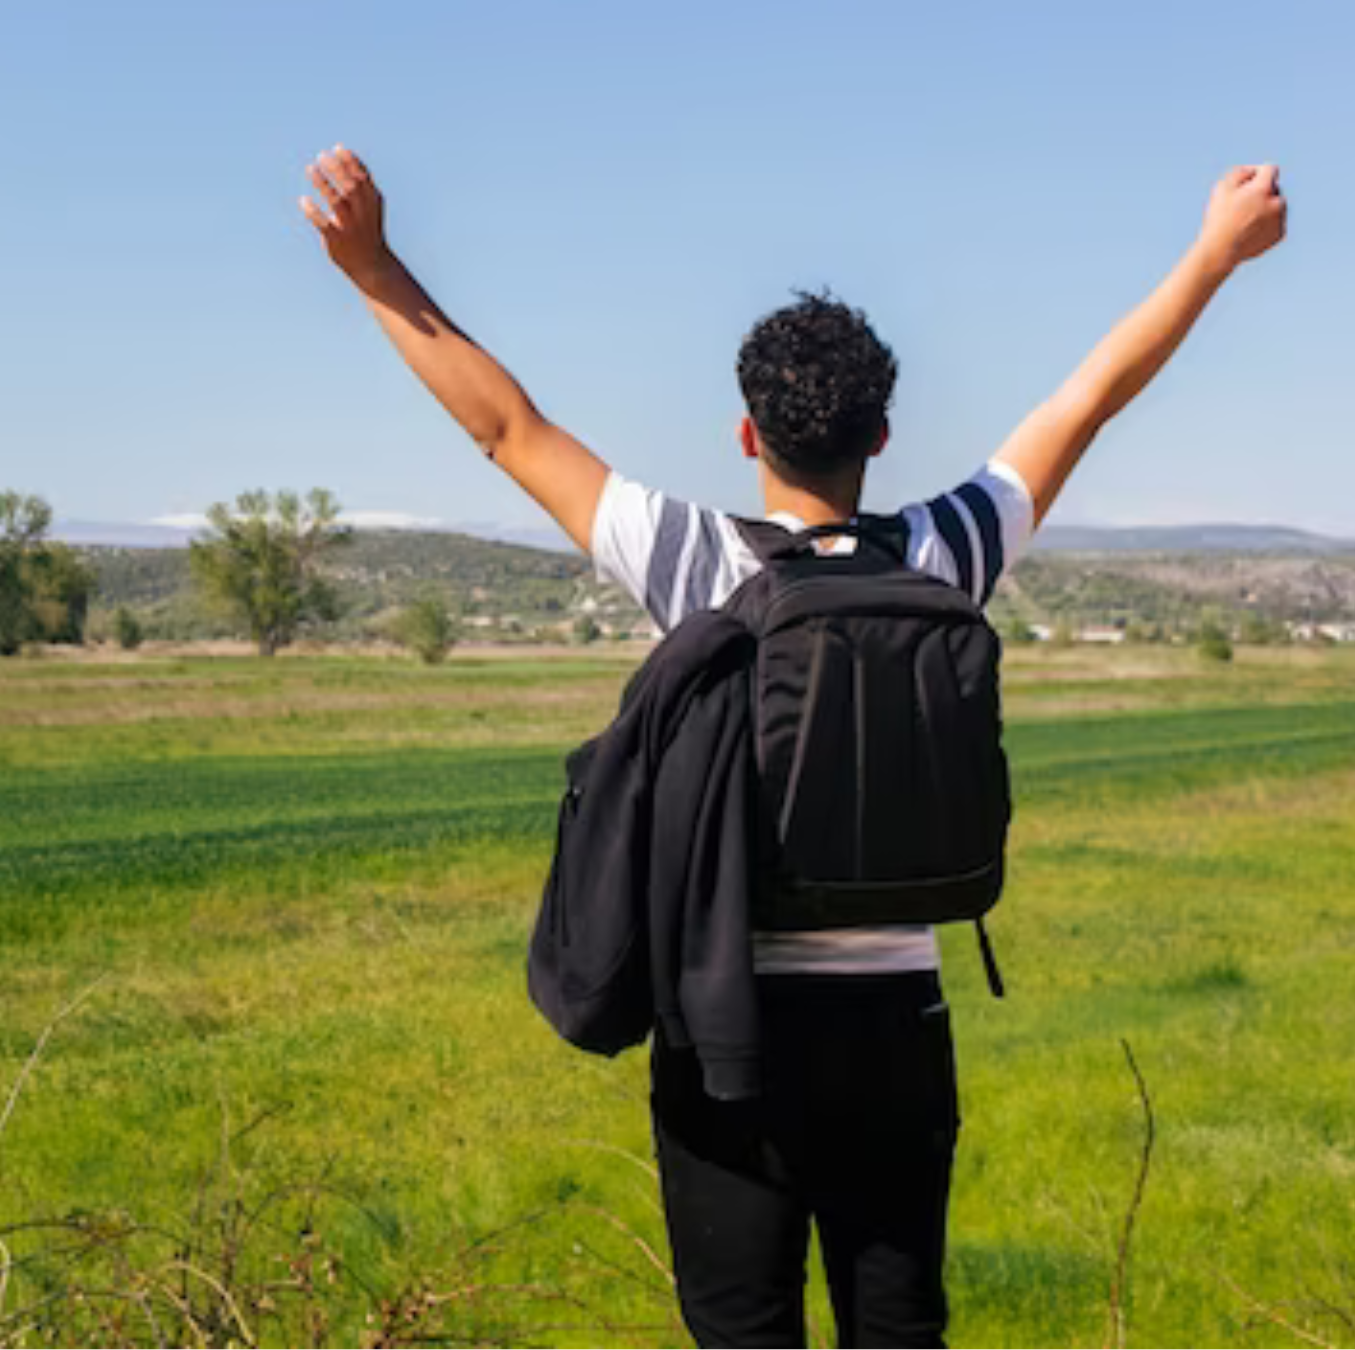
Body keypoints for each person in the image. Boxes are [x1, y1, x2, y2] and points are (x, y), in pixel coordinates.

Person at [299, 145, 1286, 1347]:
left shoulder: (694, 565)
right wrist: (1213, 254)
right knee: (898, 1330)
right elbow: (1089, 396)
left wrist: (371, 265)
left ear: (746, 433)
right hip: (899, 1034)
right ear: (880, 433)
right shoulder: (944, 555)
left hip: (730, 1034)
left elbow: (506, 428)